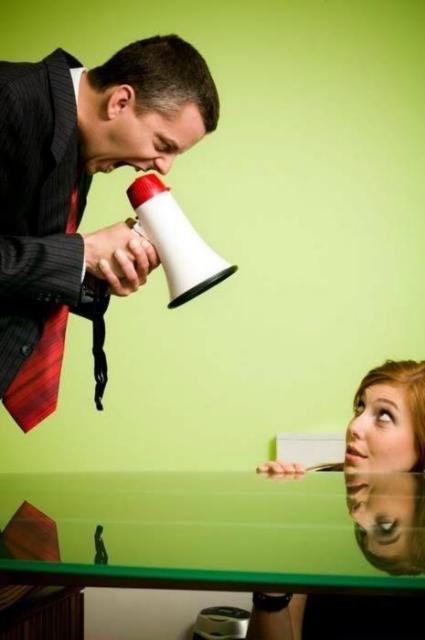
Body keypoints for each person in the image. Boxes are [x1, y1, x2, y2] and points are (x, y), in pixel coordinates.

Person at [0, 34, 219, 428]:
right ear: (119, 101)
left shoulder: (78, 143)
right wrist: (83, 252)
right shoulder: (8, 99)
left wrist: (92, 273)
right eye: (163, 144)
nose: (163, 167)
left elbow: (21, 253)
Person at [248, 359, 425, 640]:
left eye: (384, 415)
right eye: (360, 407)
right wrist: (275, 542)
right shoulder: (318, 504)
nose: (355, 425)